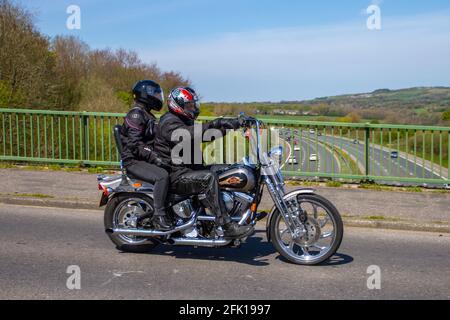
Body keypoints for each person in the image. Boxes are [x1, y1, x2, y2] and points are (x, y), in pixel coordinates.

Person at [154, 87, 254, 239]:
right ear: (177, 105)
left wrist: (229, 127)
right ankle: (226, 225)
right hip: (176, 174)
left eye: (193, 105)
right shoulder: (169, 122)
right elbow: (190, 134)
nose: (192, 108)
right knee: (209, 178)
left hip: (190, 168)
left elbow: (206, 134)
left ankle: (235, 211)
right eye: (189, 106)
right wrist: (217, 122)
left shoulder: (183, 120)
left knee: (228, 168)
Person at [120, 80, 172, 230]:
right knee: (162, 176)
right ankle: (159, 215)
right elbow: (134, 144)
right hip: (133, 161)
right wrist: (155, 157)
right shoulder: (136, 115)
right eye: (155, 94)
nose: (158, 97)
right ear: (145, 94)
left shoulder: (147, 115)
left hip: (143, 158)